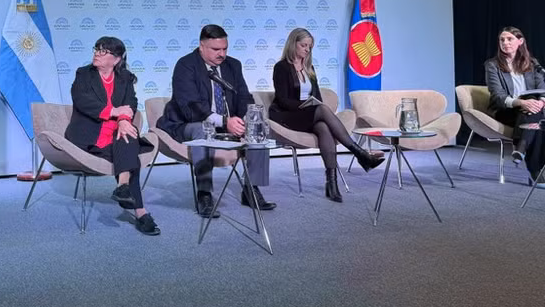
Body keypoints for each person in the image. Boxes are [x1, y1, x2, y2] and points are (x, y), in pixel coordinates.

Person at [157, 24, 275, 218]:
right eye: (216, 49)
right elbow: (191, 106)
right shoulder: (186, 65)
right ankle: (204, 194)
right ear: (202, 46)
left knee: (257, 127)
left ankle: (251, 189)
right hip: (186, 123)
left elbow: (243, 96)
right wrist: (224, 121)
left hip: (224, 124)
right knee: (203, 131)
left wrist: (246, 119)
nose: (222, 54)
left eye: (225, 49)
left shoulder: (233, 65)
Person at [270, 28, 384, 203]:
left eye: (310, 46)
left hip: (306, 114)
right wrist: (305, 106)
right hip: (286, 116)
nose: (307, 49)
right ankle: (360, 153)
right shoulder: (281, 67)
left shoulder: (310, 68)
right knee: (322, 110)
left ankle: (332, 184)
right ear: (293, 44)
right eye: (304, 45)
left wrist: (312, 105)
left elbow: (317, 96)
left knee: (323, 126)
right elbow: (283, 100)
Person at [65, 36, 160, 235]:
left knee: (127, 136)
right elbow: (82, 101)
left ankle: (124, 189)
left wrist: (125, 120)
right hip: (87, 137)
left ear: (116, 59)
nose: (96, 54)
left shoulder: (124, 78)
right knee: (129, 150)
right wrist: (114, 112)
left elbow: (131, 103)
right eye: (96, 49)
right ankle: (140, 210)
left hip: (115, 134)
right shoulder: (84, 74)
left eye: (103, 51)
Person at [485, 26, 545, 178]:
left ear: (520, 41)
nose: (505, 42)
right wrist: (520, 103)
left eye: (509, 39)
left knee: (534, 114)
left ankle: (521, 147)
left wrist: (542, 102)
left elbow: (542, 87)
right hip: (506, 109)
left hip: (532, 109)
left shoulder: (532, 63)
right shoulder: (492, 65)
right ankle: (534, 169)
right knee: (534, 115)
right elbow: (498, 95)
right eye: (502, 40)